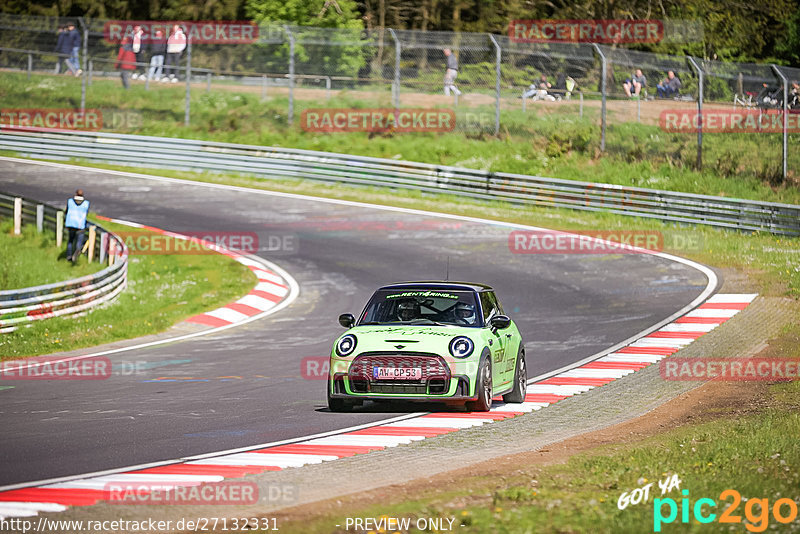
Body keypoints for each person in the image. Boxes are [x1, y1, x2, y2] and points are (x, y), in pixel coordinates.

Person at [64, 189, 90, 263]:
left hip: (70, 224)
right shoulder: (86, 203)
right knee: (79, 241)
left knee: (70, 240)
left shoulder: (70, 201)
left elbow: (66, 211)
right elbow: (86, 213)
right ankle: (76, 252)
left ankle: (69, 256)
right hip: (80, 225)